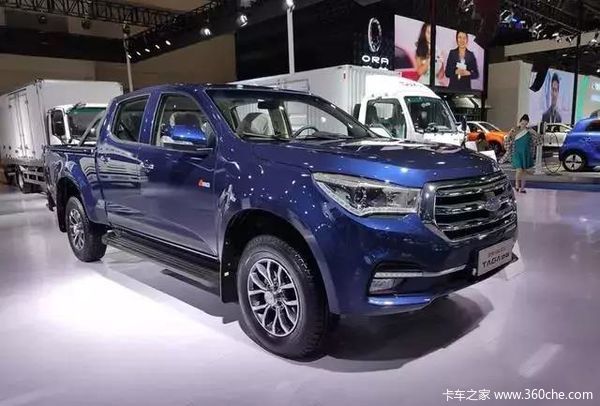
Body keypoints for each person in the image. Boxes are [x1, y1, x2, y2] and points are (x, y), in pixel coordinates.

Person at [502, 114, 542, 193]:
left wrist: (534, 132)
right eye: (522, 123)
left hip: (526, 153)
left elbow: (538, 140)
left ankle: (522, 188)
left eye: (525, 123)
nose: (524, 125)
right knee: (519, 170)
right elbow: (507, 140)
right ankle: (517, 185)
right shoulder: (515, 130)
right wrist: (510, 133)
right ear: (520, 122)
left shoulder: (529, 131)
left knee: (524, 171)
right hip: (516, 153)